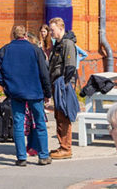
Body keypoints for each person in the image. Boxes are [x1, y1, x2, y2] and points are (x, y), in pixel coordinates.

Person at [0, 25, 51, 166]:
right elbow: (44, 72)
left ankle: (21, 157)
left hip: (15, 91)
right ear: (26, 35)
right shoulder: (35, 49)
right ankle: (43, 156)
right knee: (40, 123)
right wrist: (47, 92)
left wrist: (3, 82)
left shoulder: (6, 49)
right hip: (35, 92)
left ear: (13, 35)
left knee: (18, 123)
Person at [47, 17, 78, 160]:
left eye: (52, 30)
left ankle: (66, 148)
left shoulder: (67, 43)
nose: (50, 32)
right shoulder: (58, 44)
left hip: (63, 85)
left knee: (64, 116)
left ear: (61, 28)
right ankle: (62, 145)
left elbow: (70, 67)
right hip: (57, 84)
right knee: (58, 116)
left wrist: (64, 86)